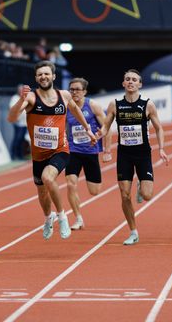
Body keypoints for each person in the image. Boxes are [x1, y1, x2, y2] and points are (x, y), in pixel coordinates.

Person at [7, 61, 97, 240]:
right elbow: (11, 118)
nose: (43, 77)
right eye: (40, 74)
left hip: (60, 149)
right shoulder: (31, 98)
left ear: (53, 76)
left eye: (46, 74)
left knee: (49, 178)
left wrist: (87, 129)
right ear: (36, 78)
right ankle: (49, 218)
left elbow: (76, 110)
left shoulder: (63, 95)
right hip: (38, 154)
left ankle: (62, 216)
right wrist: (20, 99)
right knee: (41, 192)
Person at [102, 69, 169, 245]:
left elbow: (159, 128)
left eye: (134, 80)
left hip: (143, 154)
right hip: (124, 154)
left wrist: (161, 148)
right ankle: (133, 231)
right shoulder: (115, 104)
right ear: (123, 84)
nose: (130, 82)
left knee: (147, 196)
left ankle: (141, 184)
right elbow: (106, 127)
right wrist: (100, 138)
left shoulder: (148, 105)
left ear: (140, 84)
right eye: (127, 79)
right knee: (124, 195)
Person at [64, 77, 108, 230]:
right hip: (73, 151)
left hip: (91, 151)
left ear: (84, 91)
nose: (74, 92)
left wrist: (106, 150)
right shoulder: (67, 107)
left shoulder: (93, 106)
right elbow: (64, 128)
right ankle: (78, 218)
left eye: (77, 89)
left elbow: (106, 127)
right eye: (71, 89)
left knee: (94, 191)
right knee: (70, 184)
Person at [9, 84, 28, 160]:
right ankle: (13, 155)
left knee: (22, 139)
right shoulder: (14, 98)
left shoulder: (26, 98)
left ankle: (20, 155)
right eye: (20, 89)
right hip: (18, 122)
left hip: (24, 122)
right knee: (17, 138)